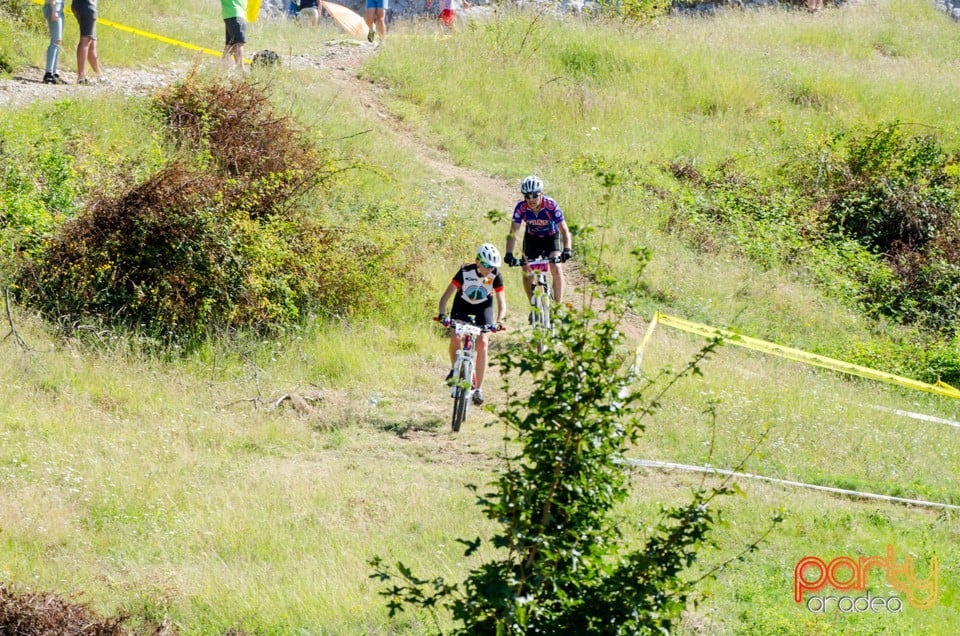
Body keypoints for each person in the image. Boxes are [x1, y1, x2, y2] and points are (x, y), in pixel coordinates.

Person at [437, 243, 507, 406]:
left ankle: (478, 390)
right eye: (487, 265)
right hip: (462, 306)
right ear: (478, 261)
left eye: (493, 266)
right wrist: (442, 315)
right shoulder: (464, 271)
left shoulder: (495, 275)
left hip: (484, 308)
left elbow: (502, 303)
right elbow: (445, 297)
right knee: (456, 337)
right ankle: (455, 371)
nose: (490, 269)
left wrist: (500, 321)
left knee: (482, 343)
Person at [504, 175, 573, 304]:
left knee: (556, 267)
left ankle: (558, 306)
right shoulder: (521, 208)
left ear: (541, 193)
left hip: (551, 237)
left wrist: (567, 249)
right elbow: (513, 232)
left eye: (535, 195)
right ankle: (533, 305)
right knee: (526, 271)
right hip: (532, 239)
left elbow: (564, 230)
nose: (531, 199)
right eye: (527, 196)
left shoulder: (550, 205)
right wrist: (509, 253)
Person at [71, 0, 104, 85]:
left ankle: (99, 75)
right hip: (87, 6)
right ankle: (81, 76)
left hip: (81, 5)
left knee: (91, 42)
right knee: (86, 40)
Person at [42, 0, 68, 84]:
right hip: (54, 7)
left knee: (57, 41)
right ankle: (48, 73)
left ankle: (54, 72)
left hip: (59, 7)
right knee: (55, 41)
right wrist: (54, 10)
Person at [221, 0, 248, 73]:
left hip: (230, 14)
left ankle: (223, 70)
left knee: (229, 44)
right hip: (236, 13)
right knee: (239, 43)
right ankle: (241, 69)